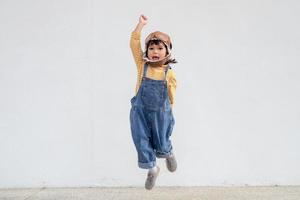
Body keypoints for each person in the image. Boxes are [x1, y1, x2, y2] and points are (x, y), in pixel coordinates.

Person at [129, 14, 178, 190]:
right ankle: (152, 168)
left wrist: (168, 111)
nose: (155, 52)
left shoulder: (169, 73)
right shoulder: (143, 65)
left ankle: (168, 151)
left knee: (161, 140)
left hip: (161, 113)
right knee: (140, 140)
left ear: (167, 51)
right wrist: (140, 26)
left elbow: (171, 95)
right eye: (151, 48)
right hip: (140, 112)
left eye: (159, 48)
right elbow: (134, 44)